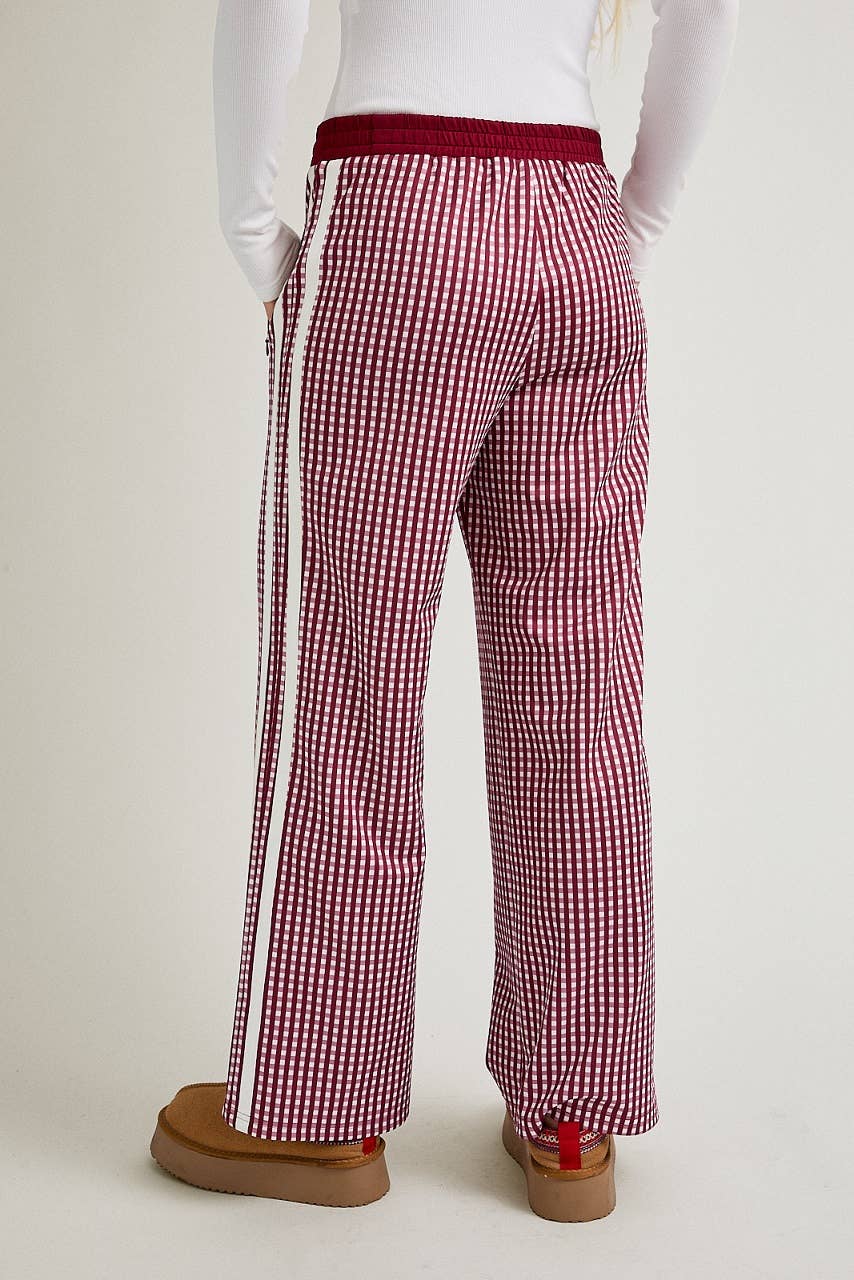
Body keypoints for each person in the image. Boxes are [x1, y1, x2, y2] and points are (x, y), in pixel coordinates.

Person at [150, 0, 739, 1221]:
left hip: (393, 209)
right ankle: (570, 1111)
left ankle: (319, 1106)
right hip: (572, 220)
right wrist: (630, 223)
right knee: (576, 686)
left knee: (346, 674)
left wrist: (252, 228)